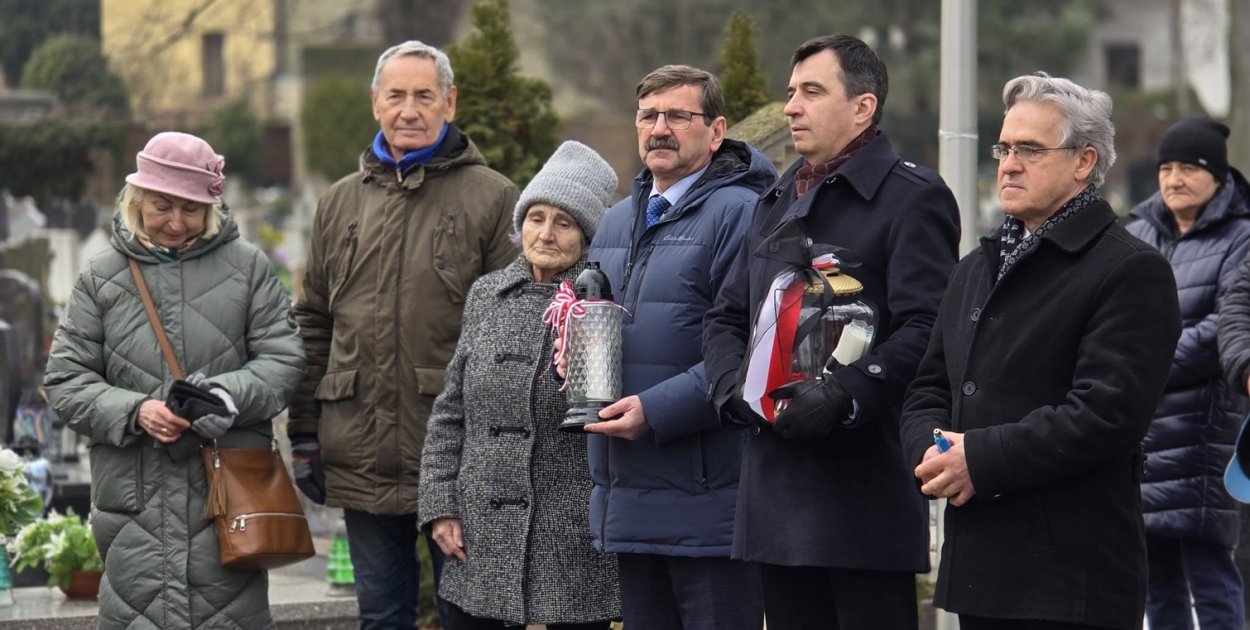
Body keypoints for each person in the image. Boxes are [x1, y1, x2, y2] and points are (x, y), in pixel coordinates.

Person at [899, 73, 1183, 630]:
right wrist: (933, 457)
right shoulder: (975, 268)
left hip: (1071, 582)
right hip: (982, 569)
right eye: (1003, 148)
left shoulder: (1130, 270)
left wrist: (977, 459)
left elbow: (1106, 415)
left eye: (1029, 149)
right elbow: (929, 385)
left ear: (1084, 162)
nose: (1007, 163)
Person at [701, 34, 960, 629]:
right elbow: (725, 317)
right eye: (791, 92)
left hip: (860, 496)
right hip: (775, 489)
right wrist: (732, 394)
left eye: (811, 92)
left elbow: (928, 329)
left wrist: (845, 394)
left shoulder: (912, 198)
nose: (791, 105)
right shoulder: (776, 198)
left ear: (863, 107)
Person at [289, 39, 519, 629]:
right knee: (381, 617)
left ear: (450, 101)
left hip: (457, 456)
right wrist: (306, 434)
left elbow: (509, 333)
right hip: (359, 446)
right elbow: (313, 321)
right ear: (375, 103)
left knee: (468, 615)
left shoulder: (492, 198)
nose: (409, 110)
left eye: (424, 95)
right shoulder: (339, 203)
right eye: (396, 95)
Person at [43, 131, 305, 628]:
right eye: (162, 206)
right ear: (137, 200)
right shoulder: (101, 277)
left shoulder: (247, 268)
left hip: (227, 497)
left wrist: (228, 396)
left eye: (191, 210)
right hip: (135, 507)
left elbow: (284, 359)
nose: (176, 223)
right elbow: (65, 380)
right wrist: (134, 410)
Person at [579, 64, 775, 630]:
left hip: (707, 501)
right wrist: (572, 355)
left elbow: (748, 346)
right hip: (628, 495)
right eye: (648, 116)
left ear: (716, 132)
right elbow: (599, 327)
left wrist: (656, 410)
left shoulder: (740, 215)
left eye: (677, 116)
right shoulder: (616, 222)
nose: (659, 129)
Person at [418, 140, 620, 630]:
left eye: (564, 222)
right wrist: (441, 505)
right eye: (536, 217)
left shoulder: (601, 301)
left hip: (569, 535)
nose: (545, 233)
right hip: (480, 529)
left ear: (587, 236)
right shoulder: (488, 293)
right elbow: (451, 410)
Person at [1127, 117, 1250, 629]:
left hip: (1205, 430)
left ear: (1218, 177)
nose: (1174, 179)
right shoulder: (1135, 231)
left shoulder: (1241, 236)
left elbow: (1228, 325)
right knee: (1156, 582)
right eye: (1166, 168)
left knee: (1211, 573)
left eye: (1189, 168)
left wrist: (1141, 365)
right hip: (1142, 432)